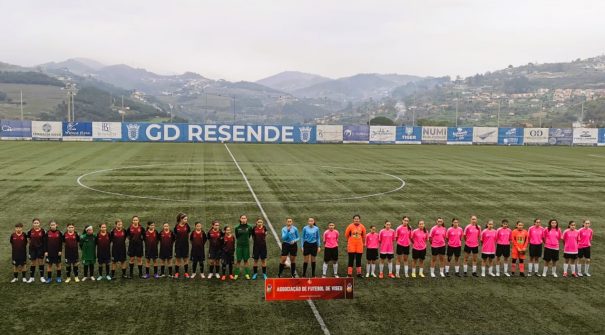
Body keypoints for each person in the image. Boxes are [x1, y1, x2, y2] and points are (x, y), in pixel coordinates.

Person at [234, 215, 254, 280]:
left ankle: (247, 274)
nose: (243, 219)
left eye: (244, 218)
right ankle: (236, 274)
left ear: (246, 219)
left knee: (246, 260)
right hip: (239, 246)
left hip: (246, 246)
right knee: (238, 260)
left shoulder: (249, 227)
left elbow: (249, 235)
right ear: (240, 219)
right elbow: (237, 236)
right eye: (242, 218)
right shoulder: (237, 227)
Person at [27, 218, 46, 283]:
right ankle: (32, 277)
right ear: (33, 224)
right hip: (32, 250)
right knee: (33, 263)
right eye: (35, 223)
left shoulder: (43, 231)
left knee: (41, 262)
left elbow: (45, 241)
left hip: (40, 249)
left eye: (37, 223)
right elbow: (29, 240)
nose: (36, 224)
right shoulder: (30, 231)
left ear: (39, 223)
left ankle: (42, 277)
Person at [173, 212, 191, 279]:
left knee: (185, 259)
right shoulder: (176, 226)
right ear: (181, 219)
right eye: (185, 219)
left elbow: (188, 233)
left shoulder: (187, 226)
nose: (186, 220)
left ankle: (186, 273)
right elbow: (175, 235)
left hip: (185, 245)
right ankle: (176, 273)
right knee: (178, 260)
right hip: (178, 246)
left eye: (186, 219)